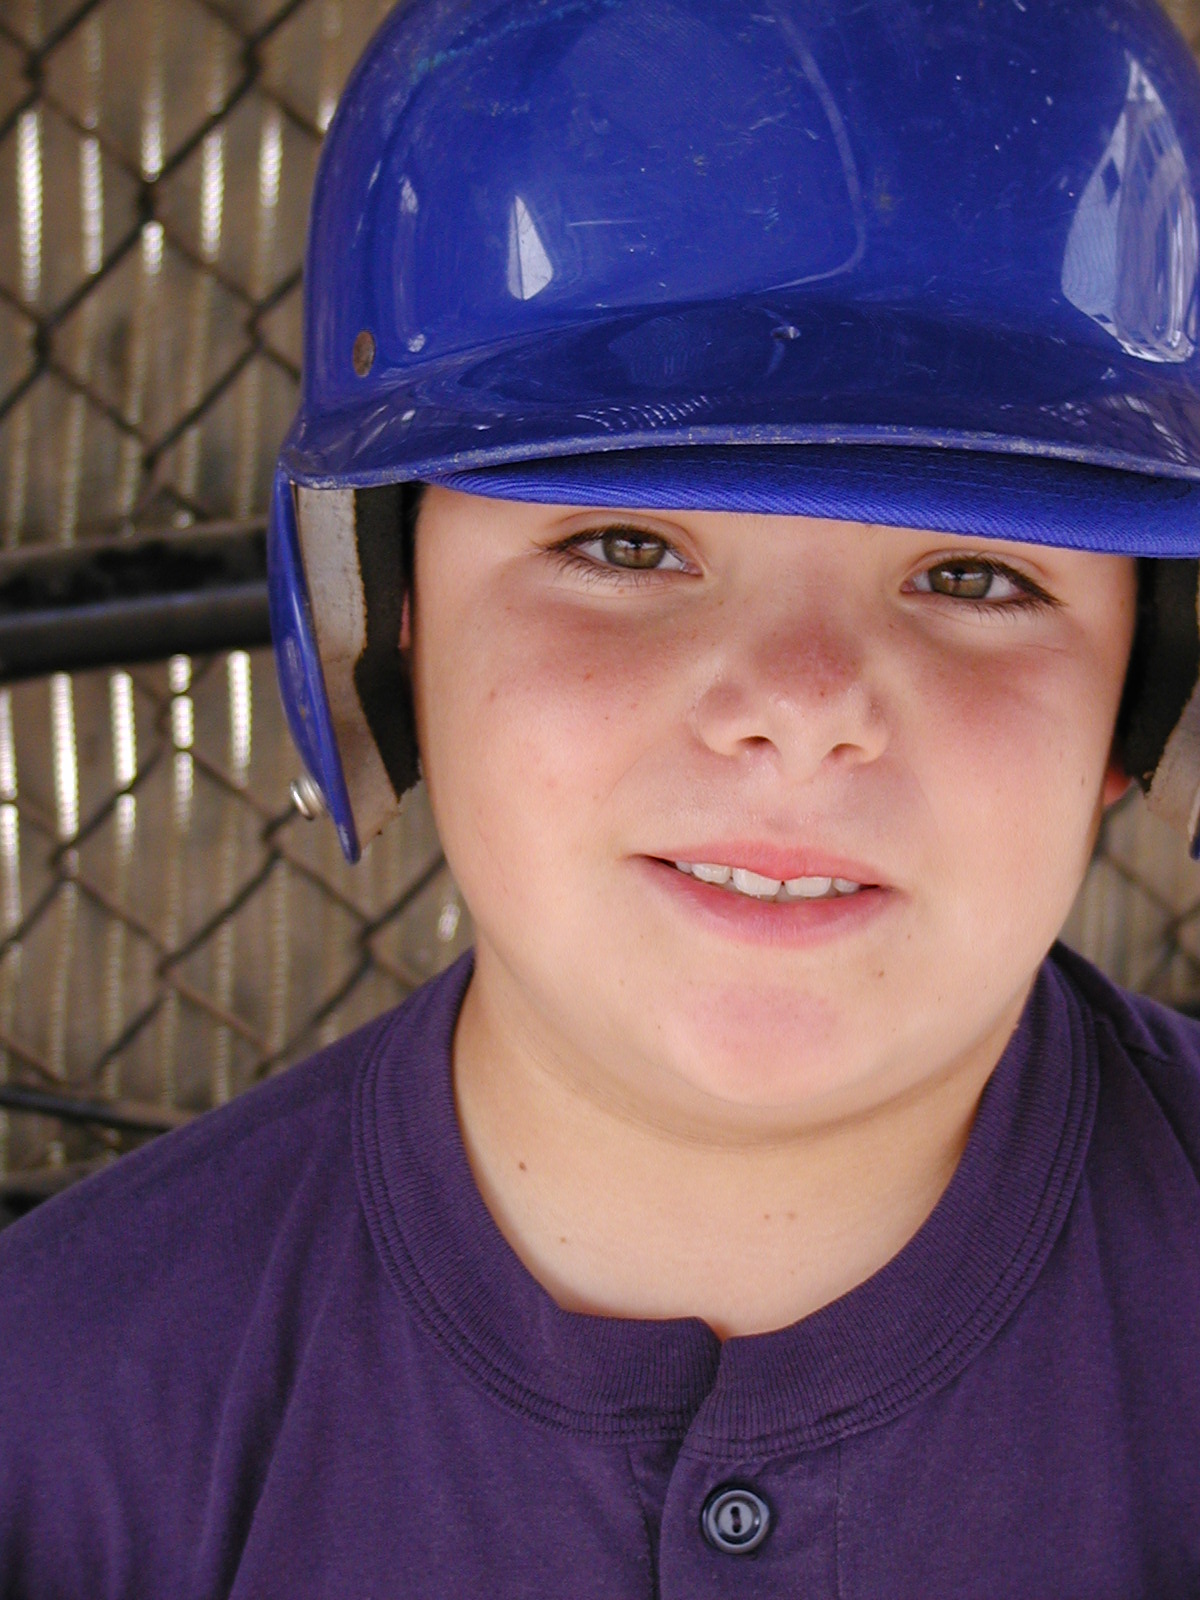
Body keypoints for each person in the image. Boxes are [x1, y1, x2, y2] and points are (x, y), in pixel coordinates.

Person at [3, 0, 1200, 1594]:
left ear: (1145, 689)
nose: (799, 710)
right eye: (625, 546)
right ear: (391, 626)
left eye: (975, 574)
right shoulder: (69, 1414)